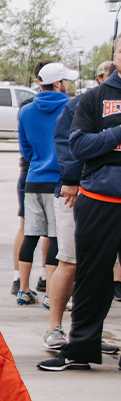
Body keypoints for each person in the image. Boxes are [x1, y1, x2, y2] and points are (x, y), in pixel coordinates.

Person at [38, 37, 121, 371]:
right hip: (101, 199)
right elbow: (79, 144)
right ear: (116, 55)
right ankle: (79, 350)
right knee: (91, 276)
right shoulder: (93, 98)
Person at [14, 62, 77, 306]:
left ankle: (24, 288)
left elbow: (25, 148)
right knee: (56, 238)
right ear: (59, 83)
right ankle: (51, 293)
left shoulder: (27, 111)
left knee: (30, 235)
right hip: (59, 181)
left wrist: (38, 160)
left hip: (33, 179)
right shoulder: (70, 108)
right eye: (66, 81)